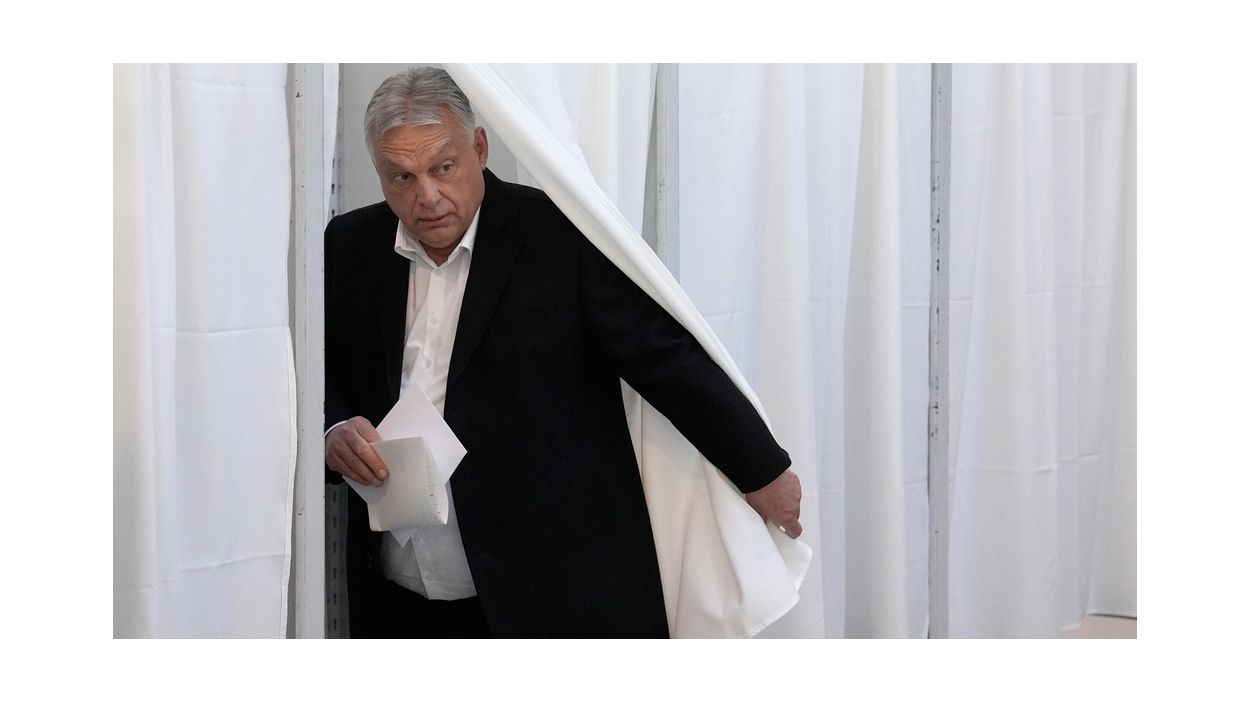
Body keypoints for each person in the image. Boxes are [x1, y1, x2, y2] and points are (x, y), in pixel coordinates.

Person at [324, 66, 802, 638]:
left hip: (548, 587)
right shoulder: (350, 246)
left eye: (443, 168)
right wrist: (334, 430)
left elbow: (662, 355)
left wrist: (762, 470)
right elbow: (323, 375)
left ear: (480, 149)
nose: (426, 197)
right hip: (401, 593)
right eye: (402, 177)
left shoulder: (559, 233)